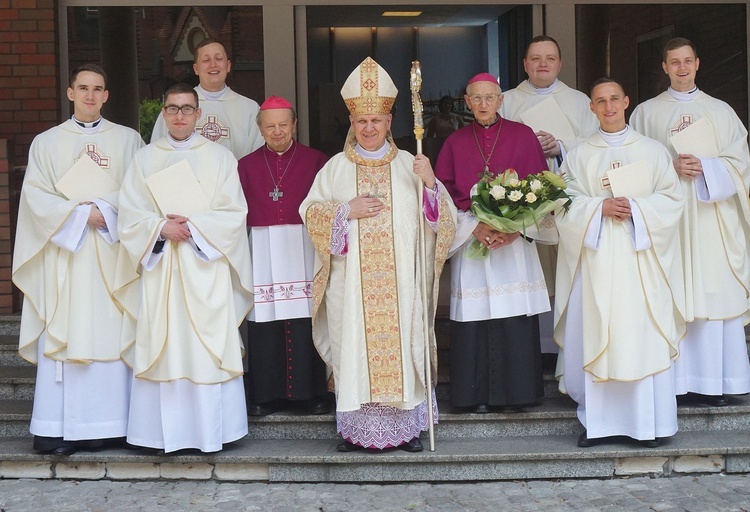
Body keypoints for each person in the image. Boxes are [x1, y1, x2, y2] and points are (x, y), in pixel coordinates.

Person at [299, 57, 457, 453]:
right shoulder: (334, 169)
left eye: (377, 120)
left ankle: (405, 430)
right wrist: (343, 212)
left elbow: (444, 224)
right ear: (351, 123)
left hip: (402, 285)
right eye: (361, 121)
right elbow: (310, 212)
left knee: (403, 350)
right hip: (351, 287)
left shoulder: (412, 164)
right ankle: (356, 431)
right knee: (354, 350)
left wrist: (431, 184)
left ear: (390, 122)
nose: (369, 128)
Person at [12, 64, 143, 455]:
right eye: (83, 88)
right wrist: (82, 214)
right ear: (70, 93)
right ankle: (58, 429)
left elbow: (140, 194)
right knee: (67, 336)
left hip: (111, 255)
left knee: (111, 334)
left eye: (98, 89)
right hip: (66, 257)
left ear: (106, 96)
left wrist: (108, 211)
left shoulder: (128, 140)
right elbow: (35, 197)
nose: (90, 95)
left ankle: (113, 426)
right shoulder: (47, 142)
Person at [115, 82, 254, 453]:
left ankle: (213, 432)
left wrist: (192, 227)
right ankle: (157, 435)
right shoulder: (144, 159)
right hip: (160, 269)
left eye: (187, 109)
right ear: (164, 114)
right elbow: (129, 214)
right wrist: (160, 227)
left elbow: (233, 214)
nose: (180, 116)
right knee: (164, 343)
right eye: (173, 109)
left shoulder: (220, 158)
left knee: (204, 347)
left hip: (203, 267)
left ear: (198, 114)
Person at [555, 78, 686, 448]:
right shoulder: (579, 155)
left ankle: (648, 424)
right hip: (597, 263)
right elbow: (563, 205)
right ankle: (598, 424)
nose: (609, 106)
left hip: (641, 261)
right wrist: (599, 207)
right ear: (592, 108)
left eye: (614, 99)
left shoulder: (653, 151)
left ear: (627, 102)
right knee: (599, 333)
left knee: (640, 337)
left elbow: (673, 200)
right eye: (601, 101)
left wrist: (638, 209)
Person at [630, 37, 750, 407]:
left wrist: (709, 168)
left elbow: (741, 163)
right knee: (673, 291)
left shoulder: (721, 111)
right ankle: (676, 382)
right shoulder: (646, 113)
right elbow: (633, 165)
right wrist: (671, 166)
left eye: (687, 61)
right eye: (674, 62)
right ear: (664, 67)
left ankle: (718, 381)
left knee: (715, 294)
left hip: (712, 219)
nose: (681, 68)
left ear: (697, 64)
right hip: (671, 222)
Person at [434, 73, 549, 414]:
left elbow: (543, 192)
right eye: (476, 98)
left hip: (513, 247)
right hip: (473, 243)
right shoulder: (454, 142)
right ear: (466, 102)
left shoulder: (523, 135)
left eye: (490, 98)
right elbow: (442, 198)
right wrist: (474, 228)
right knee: (475, 317)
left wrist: (516, 228)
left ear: (501, 101)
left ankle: (519, 395)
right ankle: (473, 395)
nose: (483, 104)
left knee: (513, 316)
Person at [498, 36, 599, 357]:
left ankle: (563, 351)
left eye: (550, 58)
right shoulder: (507, 101)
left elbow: (596, 145)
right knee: (529, 272)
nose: (543, 64)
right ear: (525, 64)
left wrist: (562, 147)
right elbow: (495, 145)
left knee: (567, 272)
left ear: (560, 64)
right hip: (522, 203)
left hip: (567, 200)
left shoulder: (581, 101)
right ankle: (533, 351)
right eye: (536, 58)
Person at [237, 96, 330, 416]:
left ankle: (311, 394)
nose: (277, 132)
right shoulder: (245, 166)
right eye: (269, 126)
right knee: (265, 321)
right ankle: (265, 395)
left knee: (305, 318)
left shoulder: (317, 161)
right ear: (260, 128)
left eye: (283, 125)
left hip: (303, 246)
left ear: (294, 125)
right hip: (262, 249)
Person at [151, 38, 264, 160]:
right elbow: (157, 153)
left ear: (228, 66)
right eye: (206, 60)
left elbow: (258, 159)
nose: (213, 65)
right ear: (196, 69)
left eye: (219, 59)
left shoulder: (250, 109)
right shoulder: (175, 108)